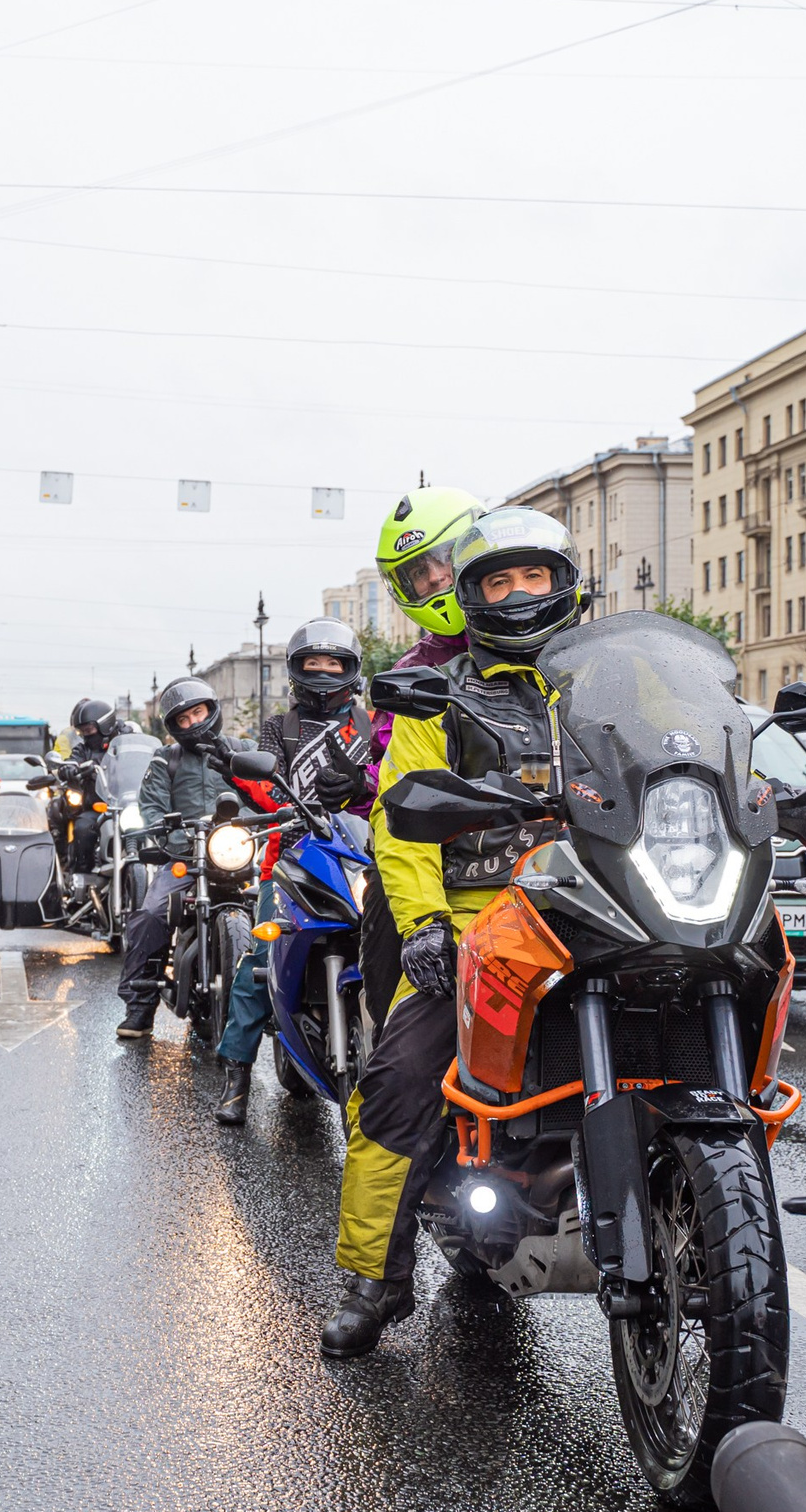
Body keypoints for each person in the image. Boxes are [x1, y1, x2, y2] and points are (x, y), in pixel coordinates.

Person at [323, 507, 580, 1359]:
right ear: (472, 595)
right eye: (497, 580)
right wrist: (428, 923)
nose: (516, 594)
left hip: (607, 900)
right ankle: (380, 1279)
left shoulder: (608, 677)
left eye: (531, 575)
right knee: (399, 1077)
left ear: (561, 579)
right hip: (485, 923)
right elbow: (402, 822)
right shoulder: (443, 689)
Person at [208, 617, 375, 1125]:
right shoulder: (277, 728)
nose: (323, 671)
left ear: (351, 670)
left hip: (363, 856)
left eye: (333, 663)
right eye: (312, 663)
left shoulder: (372, 727)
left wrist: (361, 787)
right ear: (296, 671)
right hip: (290, 856)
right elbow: (264, 788)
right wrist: (267, 791)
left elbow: (390, 781)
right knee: (261, 959)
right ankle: (237, 1071)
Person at [355, 487, 484, 1029]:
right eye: (418, 574)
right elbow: (392, 764)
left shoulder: (552, 639)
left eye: (443, 562)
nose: (434, 581)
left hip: (552, 836)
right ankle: (387, 1037)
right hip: (439, 845)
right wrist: (360, 781)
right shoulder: (413, 673)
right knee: (390, 921)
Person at [116, 677, 252, 1039]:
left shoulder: (243, 750)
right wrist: (177, 839)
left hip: (242, 855)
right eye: (184, 719)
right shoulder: (166, 759)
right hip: (186, 858)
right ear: (174, 727)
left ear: (212, 709)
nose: (193, 722)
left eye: (198, 712)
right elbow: (152, 807)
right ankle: (140, 1006)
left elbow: (267, 795)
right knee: (151, 913)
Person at [56, 697, 138, 880]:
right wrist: (68, 767)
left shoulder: (129, 739)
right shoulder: (83, 749)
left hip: (130, 805)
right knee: (83, 829)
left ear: (104, 725)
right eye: (82, 731)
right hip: (99, 807)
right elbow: (72, 759)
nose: (86, 735)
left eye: (89, 730)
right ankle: (82, 878)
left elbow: (145, 756)